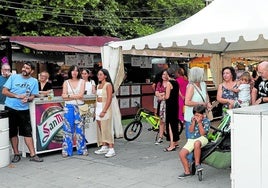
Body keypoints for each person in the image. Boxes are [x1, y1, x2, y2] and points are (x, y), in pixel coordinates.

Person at [2, 61, 43, 163]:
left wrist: (28, 99)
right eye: (24, 67)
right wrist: (17, 96)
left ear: (32, 71)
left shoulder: (34, 81)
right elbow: (4, 91)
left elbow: (33, 95)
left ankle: (33, 155)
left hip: (24, 109)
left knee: (27, 132)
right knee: (13, 132)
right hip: (10, 108)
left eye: (27, 68)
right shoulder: (13, 77)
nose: (24, 69)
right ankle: (16, 154)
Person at [61, 65, 88, 157]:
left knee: (80, 129)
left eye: (76, 71)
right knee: (67, 128)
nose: (74, 72)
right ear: (70, 72)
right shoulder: (66, 82)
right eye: (73, 71)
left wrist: (69, 96)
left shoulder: (82, 81)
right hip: (68, 107)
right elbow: (63, 96)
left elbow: (81, 95)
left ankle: (82, 149)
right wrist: (72, 96)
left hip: (79, 106)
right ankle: (66, 150)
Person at [178, 104, 210, 179]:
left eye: (199, 115)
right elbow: (191, 131)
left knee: (197, 143)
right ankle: (187, 171)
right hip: (192, 139)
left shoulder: (206, 121)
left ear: (203, 115)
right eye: (196, 115)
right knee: (182, 154)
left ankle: (197, 164)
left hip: (202, 138)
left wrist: (199, 123)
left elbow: (203, 133)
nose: (197, 117)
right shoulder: (193, 120)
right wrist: (193, 122)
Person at [184, 67, 211, 139]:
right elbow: (187, 102)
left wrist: (208, 103)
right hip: (192, 115)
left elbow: (206, 95)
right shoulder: (191, 86)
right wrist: (200, 103)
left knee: (202, 137)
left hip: (202, 115)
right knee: (192, 137)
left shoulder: (203, 84)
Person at [94, 69, 115, 158]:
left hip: (104, 108)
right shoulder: (98, 85)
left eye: (101, 74)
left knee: (107, 128)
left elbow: (109, 98)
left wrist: (104, 110)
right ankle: (104, 145)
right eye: (98, 74)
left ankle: (111, 148)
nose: (99, 76)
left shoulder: (108, 85)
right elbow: (96, 97)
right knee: (101, 127)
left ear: (105, 76)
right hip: (98, 106)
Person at [161, 68, 180, 151]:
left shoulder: (169, 83)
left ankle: (172, 145)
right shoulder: (176, 82)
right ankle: (175, 142)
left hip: (170, 105)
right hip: (176, 105)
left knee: (170, 125)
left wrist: (162, 97)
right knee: (175, 124)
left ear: (168, 75)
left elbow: (167, 96)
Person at [154, 70, 169, 144]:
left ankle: (170, 136)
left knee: (168, 120)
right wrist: (161, 95)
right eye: (163, 74)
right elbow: (156, 92)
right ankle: (160, 136)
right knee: (161, 120)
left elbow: (168, 94)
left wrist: (162, 94)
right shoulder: (159, 83)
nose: (164, 76)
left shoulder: (170, 83)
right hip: (161, 104)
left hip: (168, 104)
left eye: (166, 74)